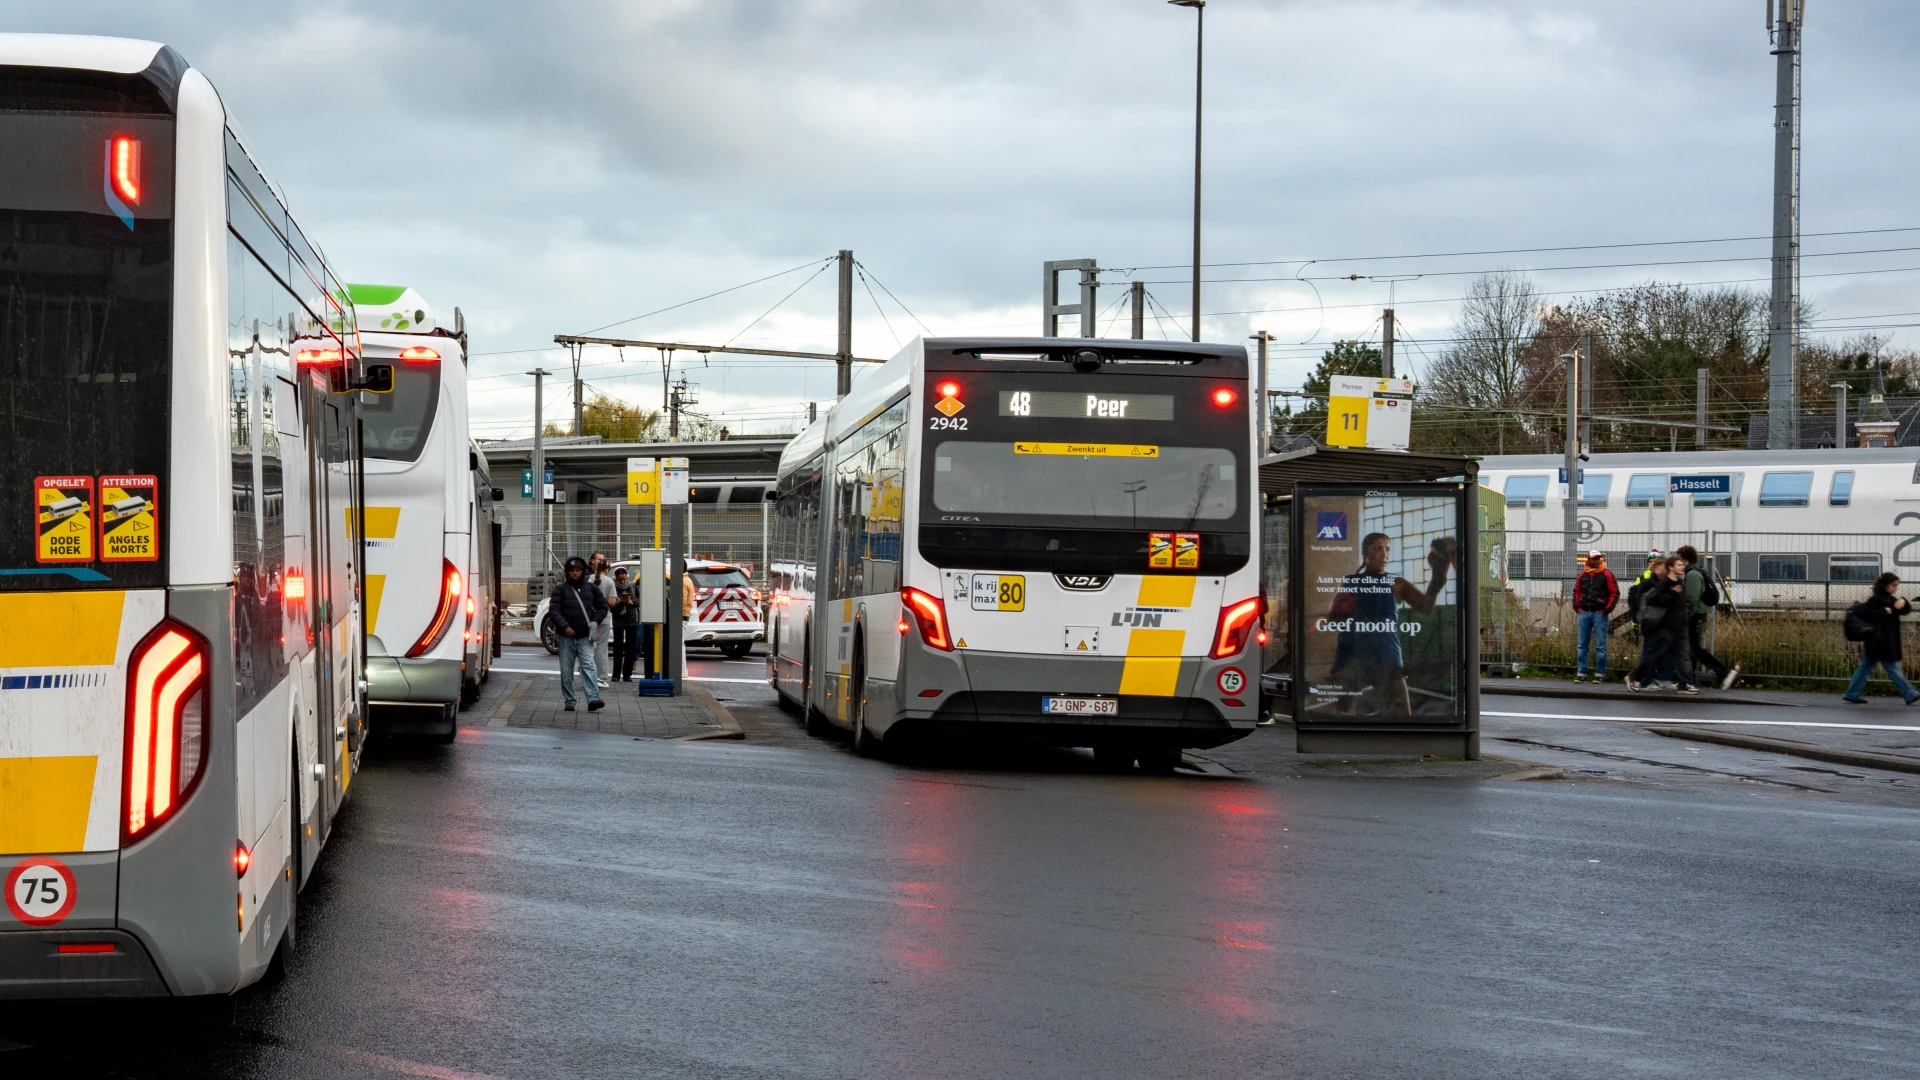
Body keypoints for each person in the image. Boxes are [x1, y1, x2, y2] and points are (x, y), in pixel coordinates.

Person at [1326, 531, 1450, 715]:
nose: (1384, 554)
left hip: (1387, 655)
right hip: (1354, 656)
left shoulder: (1396, 583)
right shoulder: (1351, 582)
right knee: (1341, 709)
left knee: (1402, 711)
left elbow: (1426, 606)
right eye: (1377, 548)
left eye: (1387, 549)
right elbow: (1332, 619)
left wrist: (1438, 577)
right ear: (1365, 553)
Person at [1843, 572, 1919, 705]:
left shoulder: (1889, 599)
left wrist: (1904, 601)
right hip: (1880, 642)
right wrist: (1883, 612)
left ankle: (1852, 693)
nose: (1895, 588)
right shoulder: (1876, 600)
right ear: (1885, 585)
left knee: (1866, 668)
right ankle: (1910, 693)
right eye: (1893, 585)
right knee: (1893, 668)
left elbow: (1904, 610)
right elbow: (1866, 613)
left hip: (1879, 642)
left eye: (1896, 585)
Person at [1629, 556, 1696, 694]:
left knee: (1678, 654)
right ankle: (1640, 679)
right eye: (1678, 565)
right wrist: (1639, 620)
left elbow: (1679, 604)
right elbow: (1646, 601)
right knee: (1652, 653)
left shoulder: (1677, 582)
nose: (1682, 567)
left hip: (1674, 624)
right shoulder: (1656, 583)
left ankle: (1676, 681)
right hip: (1657, 624)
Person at [1675, 544, 1738, 690]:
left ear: (1686, 559)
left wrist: (1686, 617)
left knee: (1697, 650)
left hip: (1695, 617)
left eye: (1679, 558)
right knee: (1691, 650)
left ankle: (1725, 672)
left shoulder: (1692, 575)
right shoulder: (1694, 573)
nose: (1677, 561)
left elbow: (1692, 598)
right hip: (1696, 616)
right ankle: (1686, 682)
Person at [549, 556, 607, 711]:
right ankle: (569, 700)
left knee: (589, 666)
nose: (574, 573)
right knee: (566, 670)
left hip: (585, 636)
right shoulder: (560, 590)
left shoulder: (591, 589)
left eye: (577, 570)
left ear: (582, 572)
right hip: (565, 637)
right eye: (572, 571)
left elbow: (603, 607)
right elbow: (554, 611)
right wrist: (565, 627)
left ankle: (593, 698)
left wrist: (595, 622)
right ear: (567, 573)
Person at [1571, 550, 1618, 682]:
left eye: (1599, 558)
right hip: (1584, 612)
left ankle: (1600, 674)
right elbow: (1576, 591)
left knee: (1601, 645)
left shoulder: (1607, 574)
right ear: (1589, 560)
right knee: (1582, 645)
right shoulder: (1582, 575)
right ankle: (1581, 673)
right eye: (1594, 558)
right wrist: (1577, 607)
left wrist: (1606, 610)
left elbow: (1614, 592)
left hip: (1599, 613)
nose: (1597, 560)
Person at [587, 552, 613, 689]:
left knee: (588, 646)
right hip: (603, 617)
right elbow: (612, 602)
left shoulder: (589, 580)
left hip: (590, 616)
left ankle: (587, 673)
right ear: (607, 569)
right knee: (602, 648)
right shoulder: (609, 581)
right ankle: (601, 677)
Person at [609, 565, 639, 682]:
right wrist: (622, 602)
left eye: (624, 579)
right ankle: (616, 674)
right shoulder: (612, 587)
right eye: (620, 579)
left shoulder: (632, 585)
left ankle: (627, 674)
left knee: (630, 647)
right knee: (618, 647)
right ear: (615, 578)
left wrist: (631, 601)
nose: (622, 581)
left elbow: (638, 601)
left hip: (632, 619)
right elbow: (613, 607)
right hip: (618, 620)